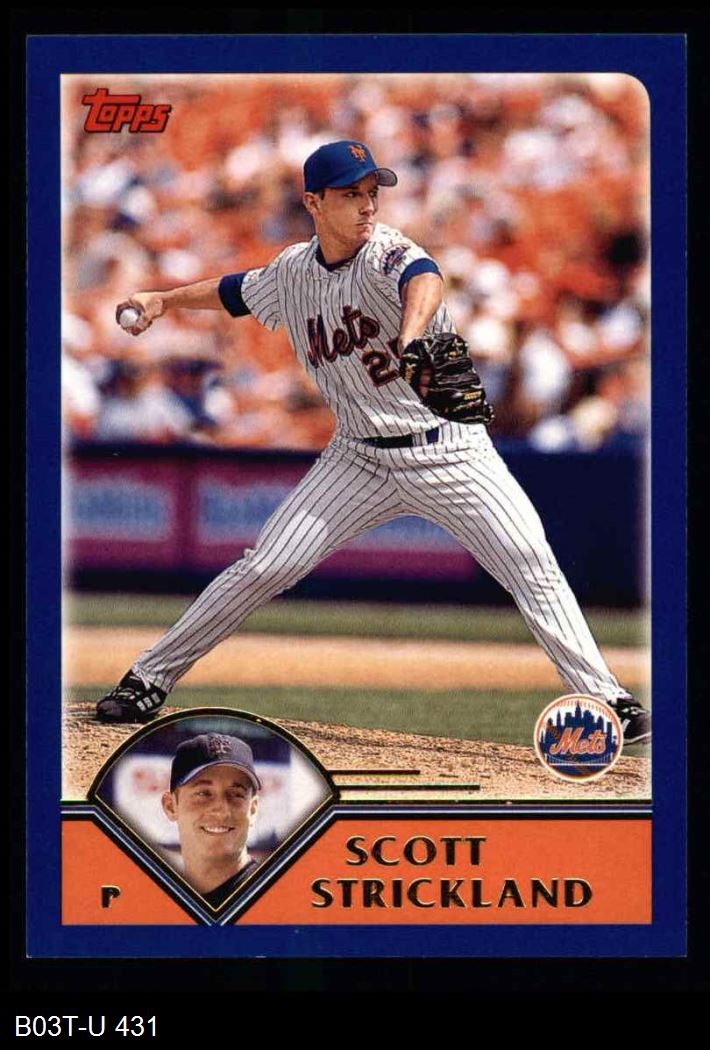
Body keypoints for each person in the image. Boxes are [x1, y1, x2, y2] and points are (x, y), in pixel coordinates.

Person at [96, 139, 651, 746]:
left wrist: (411, 334)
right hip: (357, 456)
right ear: (313, 202)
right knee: (267, 565)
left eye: (371, 192)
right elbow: (233, 292)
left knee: (531, 564)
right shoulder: (292, 273)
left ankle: (609, 700)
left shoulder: (387, 253)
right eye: (350, 195)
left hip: (451, 452)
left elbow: (424, 278)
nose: (367, 205)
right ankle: (147, 678)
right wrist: (163, 300)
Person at [161, 733, 260, 907]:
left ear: (252, 810)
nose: (221, 810)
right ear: (170, 806)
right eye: (203, 793)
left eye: (236, 794)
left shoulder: (278, 898)